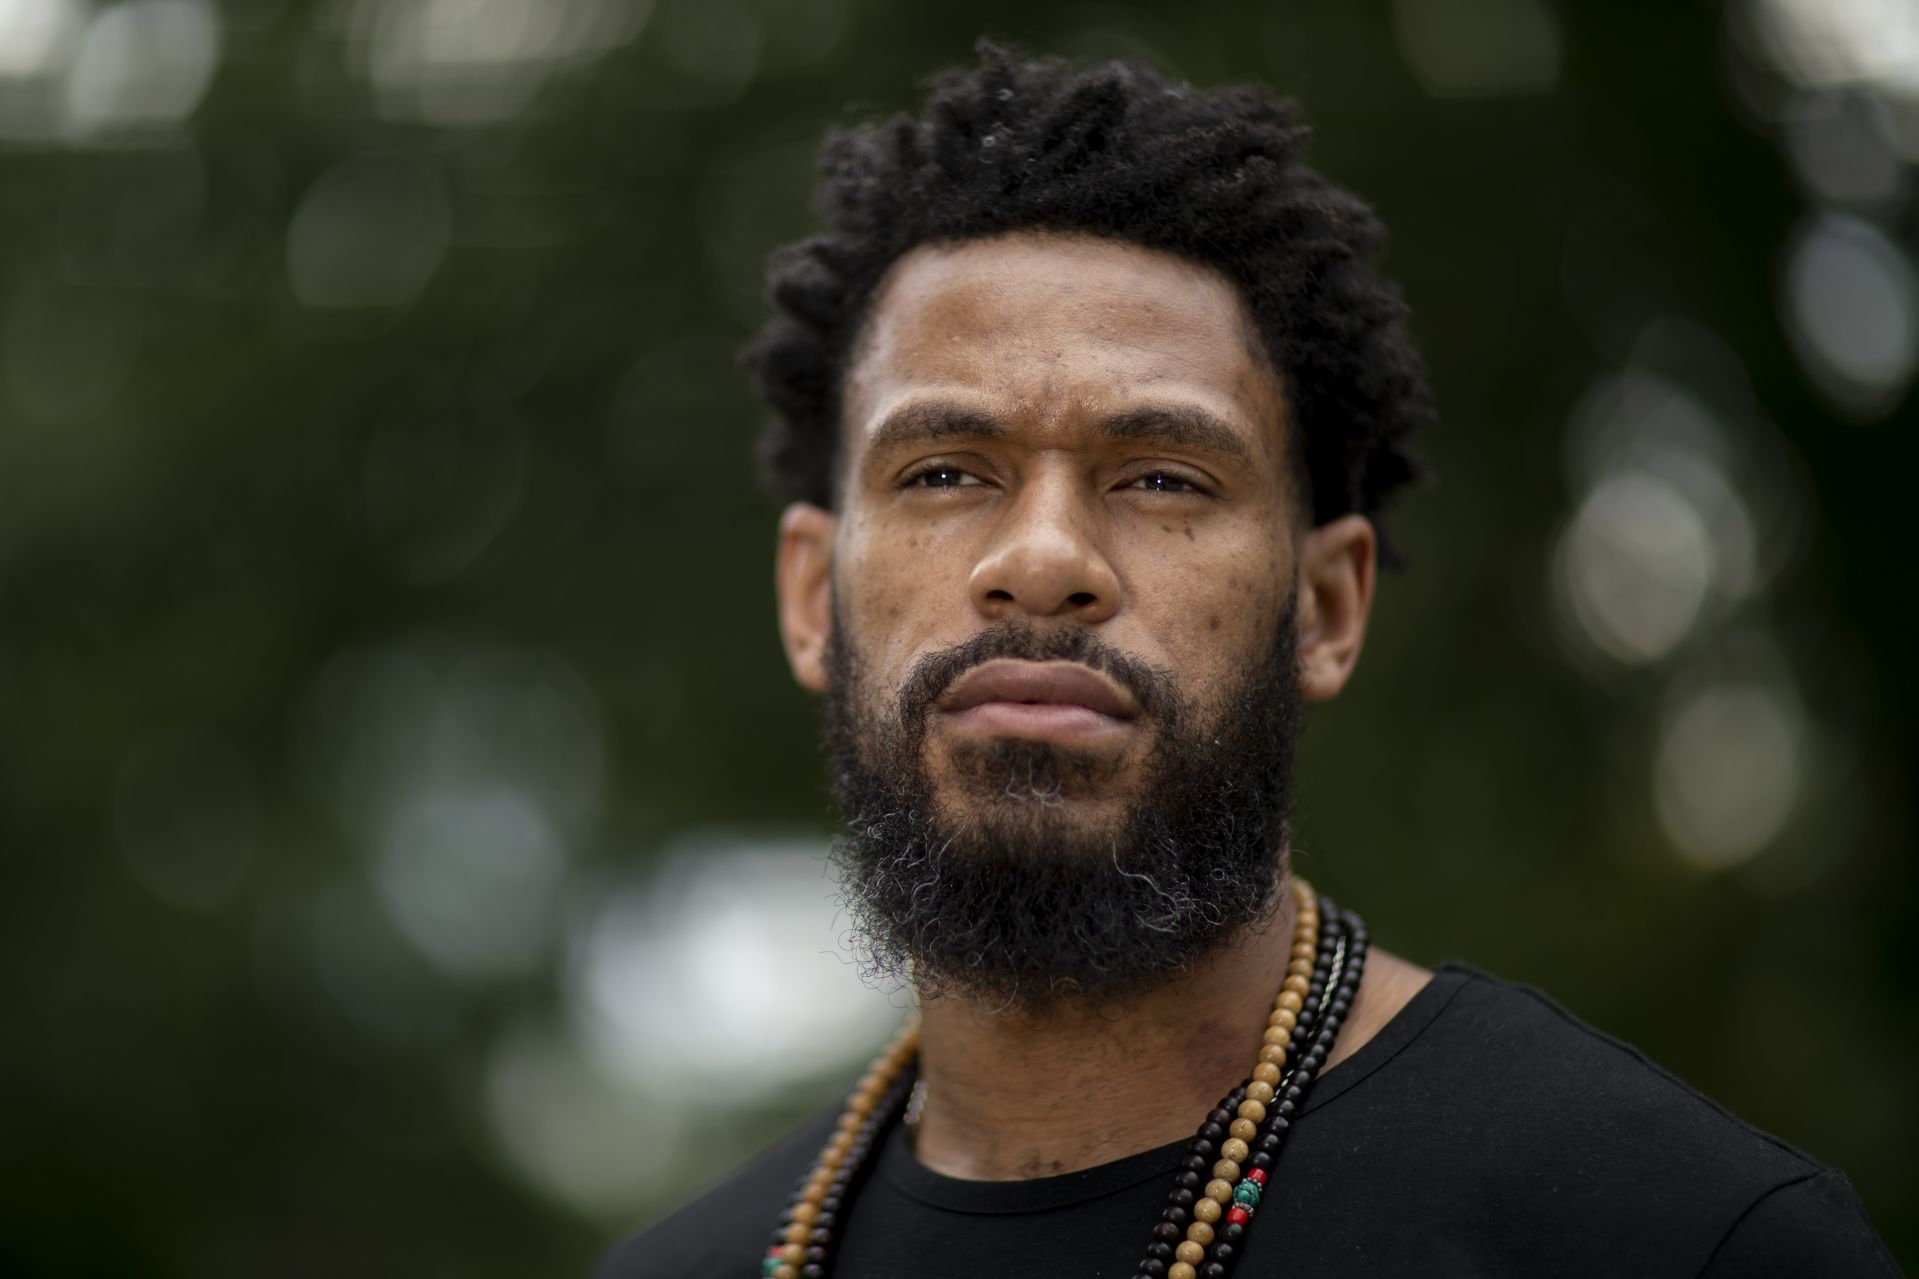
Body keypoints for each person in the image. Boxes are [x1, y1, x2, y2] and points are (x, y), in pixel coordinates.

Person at [596, 44, 1899, 1279]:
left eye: (1163, 476)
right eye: (945, 472)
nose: (1045, 558)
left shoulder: (1675, 1240)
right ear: (812, 597)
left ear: (1326, 608)